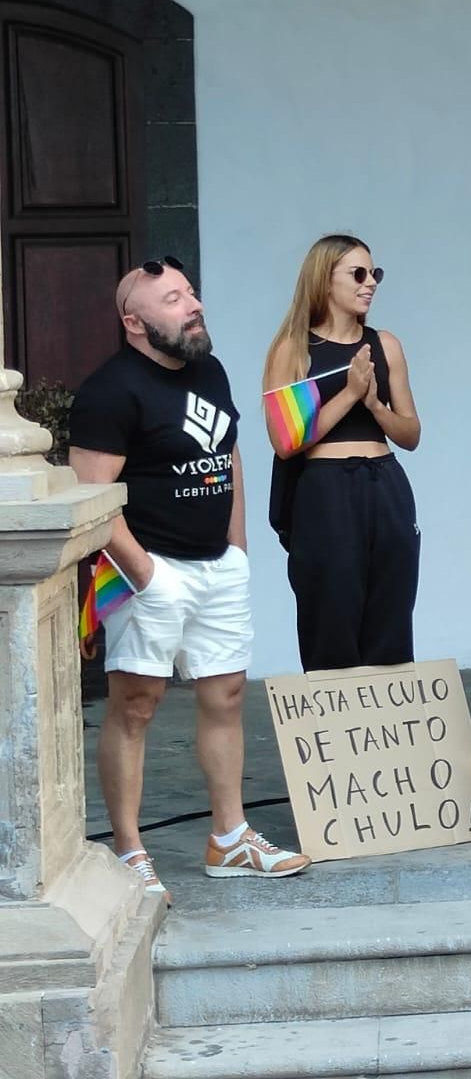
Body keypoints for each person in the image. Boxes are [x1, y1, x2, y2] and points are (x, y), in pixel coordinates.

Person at [69, 257, 310, 902]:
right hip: (145, 568)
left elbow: (227, 452)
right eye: (173, 299)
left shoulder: (210, 369)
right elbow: (90, 496)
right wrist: (146, 575)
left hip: (216, 564)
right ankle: (128, 849)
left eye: (191, 293)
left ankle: (229, 839)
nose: (193, 305)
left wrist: (237, 546)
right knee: (136, 706)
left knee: (227, 694)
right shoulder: (109, 391)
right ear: (135, 322)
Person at [263, 234, 422, 670]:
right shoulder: (294, 349)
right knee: (329, 622)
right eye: (357, 273)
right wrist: (350, 394)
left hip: (383, 483)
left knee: (391, 619)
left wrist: (373, 405)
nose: (370, 282)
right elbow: (285, 440)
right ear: (324, 281)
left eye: (375, 274)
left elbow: (410, 432)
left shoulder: (385, 344)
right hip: (325, 490)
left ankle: (390, 732)